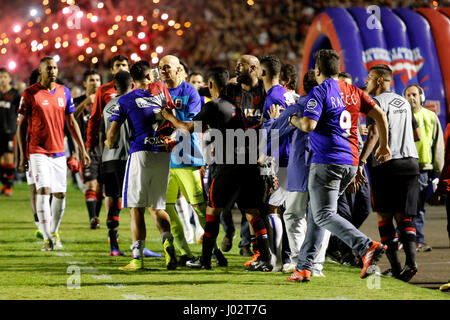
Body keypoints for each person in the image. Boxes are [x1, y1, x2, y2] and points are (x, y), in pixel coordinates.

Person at [287, 49, 391, 282]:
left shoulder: (320, 91)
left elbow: (308, 125)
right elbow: (380, 115)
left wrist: (293, 119)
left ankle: (366, 246)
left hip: (327, 161)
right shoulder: (354, 91)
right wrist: (384, 146)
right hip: (351, 163)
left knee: (323, 214)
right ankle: (303, 267)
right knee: (318, 215)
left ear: (317, 71)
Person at [161, 66, 273, 271]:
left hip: (228, 166)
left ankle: (204, 260)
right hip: (248, 164)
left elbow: (187, 129)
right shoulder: (236, 106)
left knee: (212, 210)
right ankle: (266, 258)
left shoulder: (213, 106)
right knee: (252, 212)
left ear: (211, 84)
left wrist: (169, 117)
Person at [105, 63, 177, 271]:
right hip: (162, 154)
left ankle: (137, 258)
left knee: (136, 208)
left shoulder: (126, 99)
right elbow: (172, 120)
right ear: (148, 75)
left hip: (141, 153)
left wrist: (109, 143)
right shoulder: (162, 95)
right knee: (157, 207)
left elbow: (113, 132)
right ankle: (167, 241)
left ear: (133, 80)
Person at [159, 55, 227, 267]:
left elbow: (192, 126)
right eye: (161, 67)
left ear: (180, 70)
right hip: (163, 160)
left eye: (168, 67)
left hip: (188, 157)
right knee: (167, 207)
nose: (163, 71)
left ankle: (214, 250)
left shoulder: (190, 92)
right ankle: (183, 251)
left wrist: (170, 120)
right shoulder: (158, 92)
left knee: (199, 207)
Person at [17, 56, 91, 251]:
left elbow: (72, 122)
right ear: (40, 71)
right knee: (43, 190)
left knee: (60, 194)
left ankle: (54, 231)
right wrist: (22, 154)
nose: (52, 71)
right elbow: (21, 126)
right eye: (48, 68)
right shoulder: (30, 93)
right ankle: (47, 236)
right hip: (37, 151)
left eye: (55, 68)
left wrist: (81, 149)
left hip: (58, 151)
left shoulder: (64, 92)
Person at [358, 64, 421, 282]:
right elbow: (417, 135)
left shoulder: (374, 103)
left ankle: (395, 268)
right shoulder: (404, 102)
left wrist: (362, 160)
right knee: (405, 216)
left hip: (387, 164)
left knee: (384, 216)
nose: (366, 82)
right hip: (411, 163)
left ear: (380, 81)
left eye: (370, 78)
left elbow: (374, 133)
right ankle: (411, 263)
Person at [221, 54, 267, 258]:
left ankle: (249, 244)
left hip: (254, 156)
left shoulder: (265, 91)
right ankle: (229, 231)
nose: (237, 67)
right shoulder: (231, 90)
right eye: (236, 64)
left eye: (242, 65)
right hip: (230, 152)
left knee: (252, 204)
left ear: (254, 68)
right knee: (223, 202)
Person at [86, 55, 131, 229]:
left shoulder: (136, 90)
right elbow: (95, 119)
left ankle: (117, 233)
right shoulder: (103, 91)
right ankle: (107, 226)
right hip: (110, 149)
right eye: (117, 65)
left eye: (124, 65)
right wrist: (90, 145)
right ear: (112, 70)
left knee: (121, 194)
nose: (120, 67)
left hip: (130, 150)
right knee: (109, 191)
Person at [404, 84, 444, 252]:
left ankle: (417, 239)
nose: (411, 98)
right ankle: (404, 238)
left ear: (421, 97)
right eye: (408, 95)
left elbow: (438, 146)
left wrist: (440, 172)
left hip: (424, 169)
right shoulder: (401, 116)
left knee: (419, 207)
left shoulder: (431, 117)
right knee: (404, 206)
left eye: (414, 94)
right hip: (404, 168)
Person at [260, 55, 289, 271]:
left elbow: (280, 128)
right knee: (288, 210)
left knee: (273, 207)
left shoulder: (274, 97)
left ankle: (279, 260)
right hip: (288, 158)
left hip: (281, 159)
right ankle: (286, 259)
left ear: (262, 72)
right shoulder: (283, 93)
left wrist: (265, 154)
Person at [99, 71, 133, 256]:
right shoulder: (133, 103)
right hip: (126, 158)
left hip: (108, 158)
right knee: (136, 204)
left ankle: (113, 245)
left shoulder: (107, 106)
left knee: (113, 200)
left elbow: (102, 133)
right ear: (132, 84)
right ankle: (138, 245)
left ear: (114, 86)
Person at [73, 69, 103, 227]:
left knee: (101, 188)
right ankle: (93, 218)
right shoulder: (77, 101)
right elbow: (69, 121)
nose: (95, 83)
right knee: (90, 184)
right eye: (92, 80)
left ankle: (96, 215)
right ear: (85, 83)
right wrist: (86, 102)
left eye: (97, 80)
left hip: (104, 149)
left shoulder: (105, 100)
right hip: (87, 149)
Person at [0, 68, 21, 197]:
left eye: (4, 77)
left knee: (9, 159)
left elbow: (20, 112)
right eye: (0, 77)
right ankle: (5, 183)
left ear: (9, 78)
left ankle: (9, 186)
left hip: (9, 131)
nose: (2, 79)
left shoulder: (15, 94)